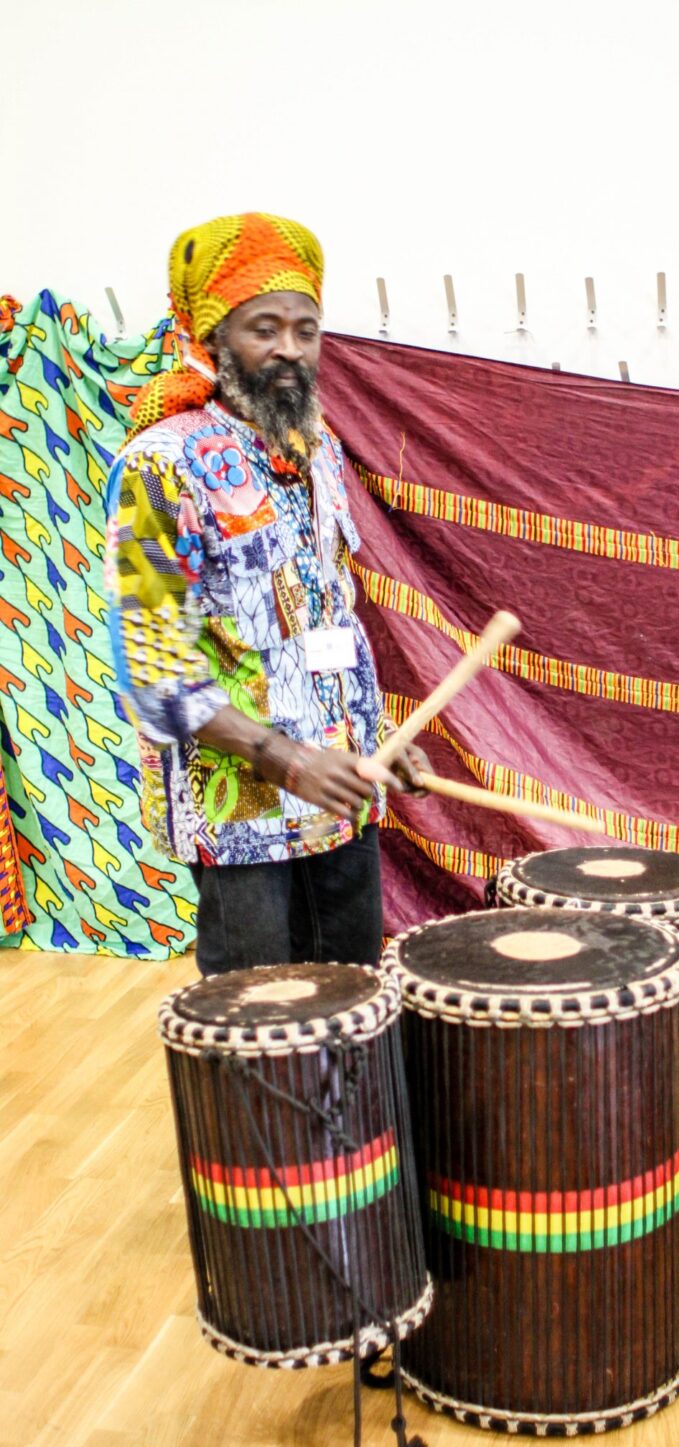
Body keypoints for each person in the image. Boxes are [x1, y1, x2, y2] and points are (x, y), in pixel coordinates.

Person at [105, 212, 430, 976]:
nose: (290, 348)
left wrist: (375, 737)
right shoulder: (161, 465)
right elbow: (154, 673)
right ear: (214, 338)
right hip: (242, 815)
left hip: (341, 802)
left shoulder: (318, 448)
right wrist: (287, 762)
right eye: (265, 327)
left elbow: (328, 618)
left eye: (306, 328)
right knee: (262, 1035)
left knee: (352, 1007)